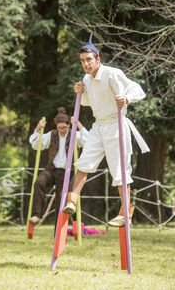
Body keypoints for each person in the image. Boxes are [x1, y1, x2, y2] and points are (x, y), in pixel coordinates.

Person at [63, 34, 150, 227]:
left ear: (97, 58)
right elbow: (85, 102)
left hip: (116, 125)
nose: (85, 64)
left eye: (89, 60)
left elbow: (137, 88)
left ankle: (124, 213)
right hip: (98, 126)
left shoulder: (112, 73)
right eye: (82, 61)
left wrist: (126, 98)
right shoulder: (86, 77)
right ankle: (72, 200)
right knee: (84, 163)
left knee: (120, 170)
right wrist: (80, 90)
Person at [29, 107, 88, 228]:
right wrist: (37, 128)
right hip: (52, 169)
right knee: (39, 182)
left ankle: (59, 234)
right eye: (59, 127)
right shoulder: (52, 135)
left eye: (64, 127)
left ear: (69, 126)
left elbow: (88, 140)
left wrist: (79, 125)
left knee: (61, 201)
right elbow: (36, 144)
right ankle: (37, 215)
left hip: (68, 172)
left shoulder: (75, 135)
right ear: (56, 126)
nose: (62, 130)